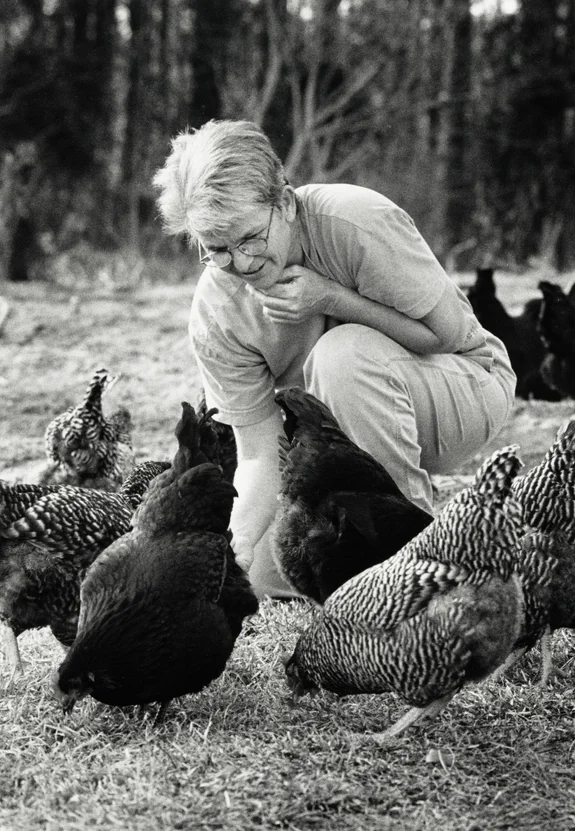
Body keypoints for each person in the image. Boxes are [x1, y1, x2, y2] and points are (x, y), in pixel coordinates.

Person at [152, 119, 516, 598]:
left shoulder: (355, 221)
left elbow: (445, 335)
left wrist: (332, 299)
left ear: (283, 203)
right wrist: (233, 546)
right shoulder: (215, 311)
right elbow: (259, 452)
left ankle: (416, 557)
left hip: (462, 384)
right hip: (333, 437)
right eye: (217, 250)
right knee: (269, 569)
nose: (239, 264)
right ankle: (355, 568)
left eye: (248, 240)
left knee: (340, 358)